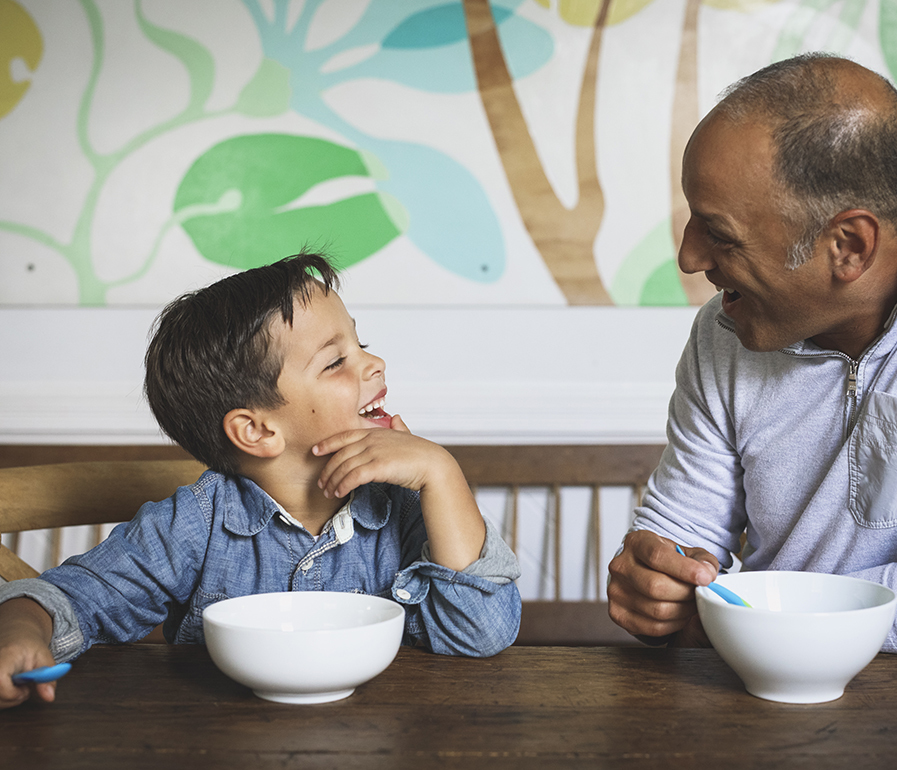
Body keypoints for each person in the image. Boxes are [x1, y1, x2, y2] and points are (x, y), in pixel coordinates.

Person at [608, 53, 897, 661]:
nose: (689, 258)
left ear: (849, 246)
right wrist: (658, 582)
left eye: (718, 233)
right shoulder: (722, 333)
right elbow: (678, 543)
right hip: (764, 713)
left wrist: (732, 617)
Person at [0, 253, 521, 709]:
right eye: (337, 360)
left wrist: (441, 472)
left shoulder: (408, 508)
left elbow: (481, 632)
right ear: (257, 430)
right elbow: (76, 597)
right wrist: (22, 628)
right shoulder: (191, 527)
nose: (375, 363)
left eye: (363, 344)